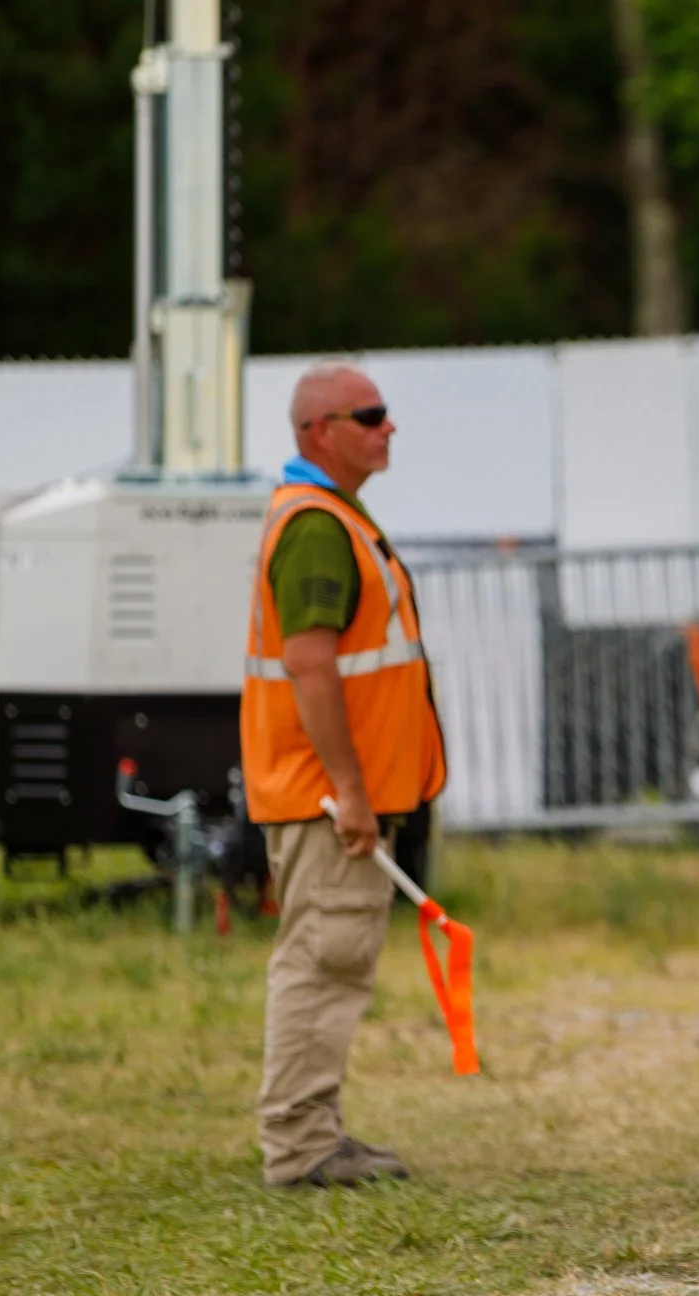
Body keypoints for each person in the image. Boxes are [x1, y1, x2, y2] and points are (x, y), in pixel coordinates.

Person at [239, 362, 446, 1188]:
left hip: (330, 791)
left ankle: (313, 1131)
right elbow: (310, 666)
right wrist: (352, 792)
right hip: (326, 797)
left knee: (333, 960)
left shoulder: (332, 517)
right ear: (319, 432)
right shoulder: (319, 526)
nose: (388, 427)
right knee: (323, 961)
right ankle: (299, 1147)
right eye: (370, 415)